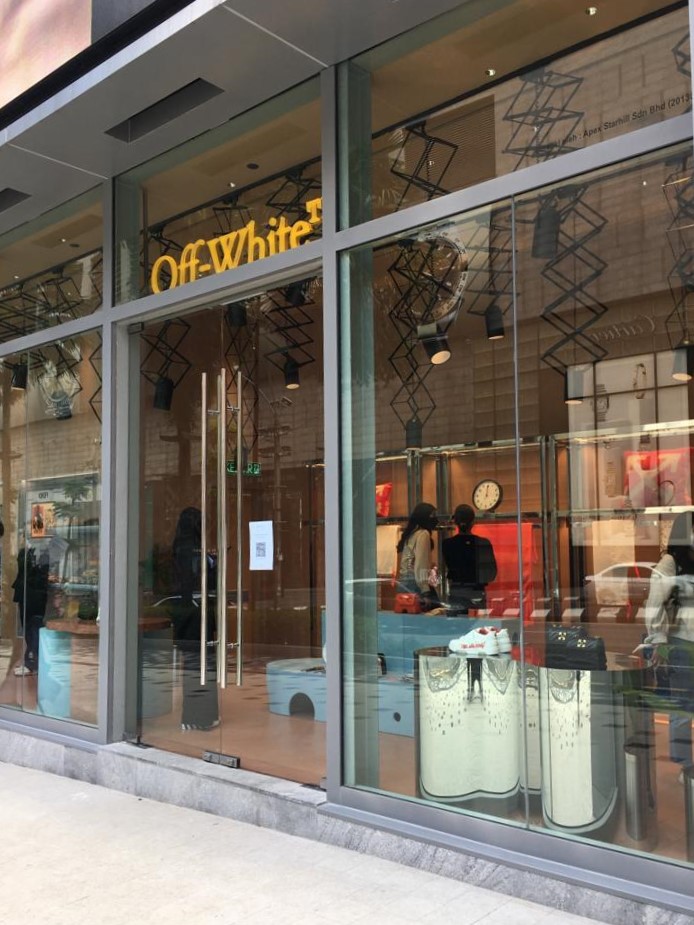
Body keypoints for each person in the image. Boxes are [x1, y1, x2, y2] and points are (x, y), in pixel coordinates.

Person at [641, 511, 694, 779]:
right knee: (683, 704)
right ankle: (686, 765)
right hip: (682, 641)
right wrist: (659, 640)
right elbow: (654, 604)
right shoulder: (671, 562)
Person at [171, 507, 219, 732]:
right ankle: (197, 717)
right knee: (198, 664)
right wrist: (212, 562)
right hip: (194, 613)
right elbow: (195, 579)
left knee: (199, 663)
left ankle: (201, 715)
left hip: (192, 612)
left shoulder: (183, 547)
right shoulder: (188, 548)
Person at [442, 504, 497, 613]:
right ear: (473, 522)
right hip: (476, 592)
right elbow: (491, 574)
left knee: (456, 622)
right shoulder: (483, 543)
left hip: (456, 591)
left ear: (455, 521)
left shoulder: (447, 544)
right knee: (477, 623)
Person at [12, 542, 49, 677]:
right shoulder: (25, 552)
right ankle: (32, 662)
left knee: (34, 629)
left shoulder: (42, 554)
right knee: (28, 628)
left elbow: (38, 575)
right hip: (26, 596)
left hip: (35, 597)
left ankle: (32, 663)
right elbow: (23, 569)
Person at [397, 502, 440, 610]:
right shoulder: (423, 534)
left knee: (408, 618)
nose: (435, 519)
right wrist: (425, 592)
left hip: (404, 583)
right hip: (416, 583)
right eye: (432, 515)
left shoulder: (411, 534)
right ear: (424, 517)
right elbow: (420, 565)